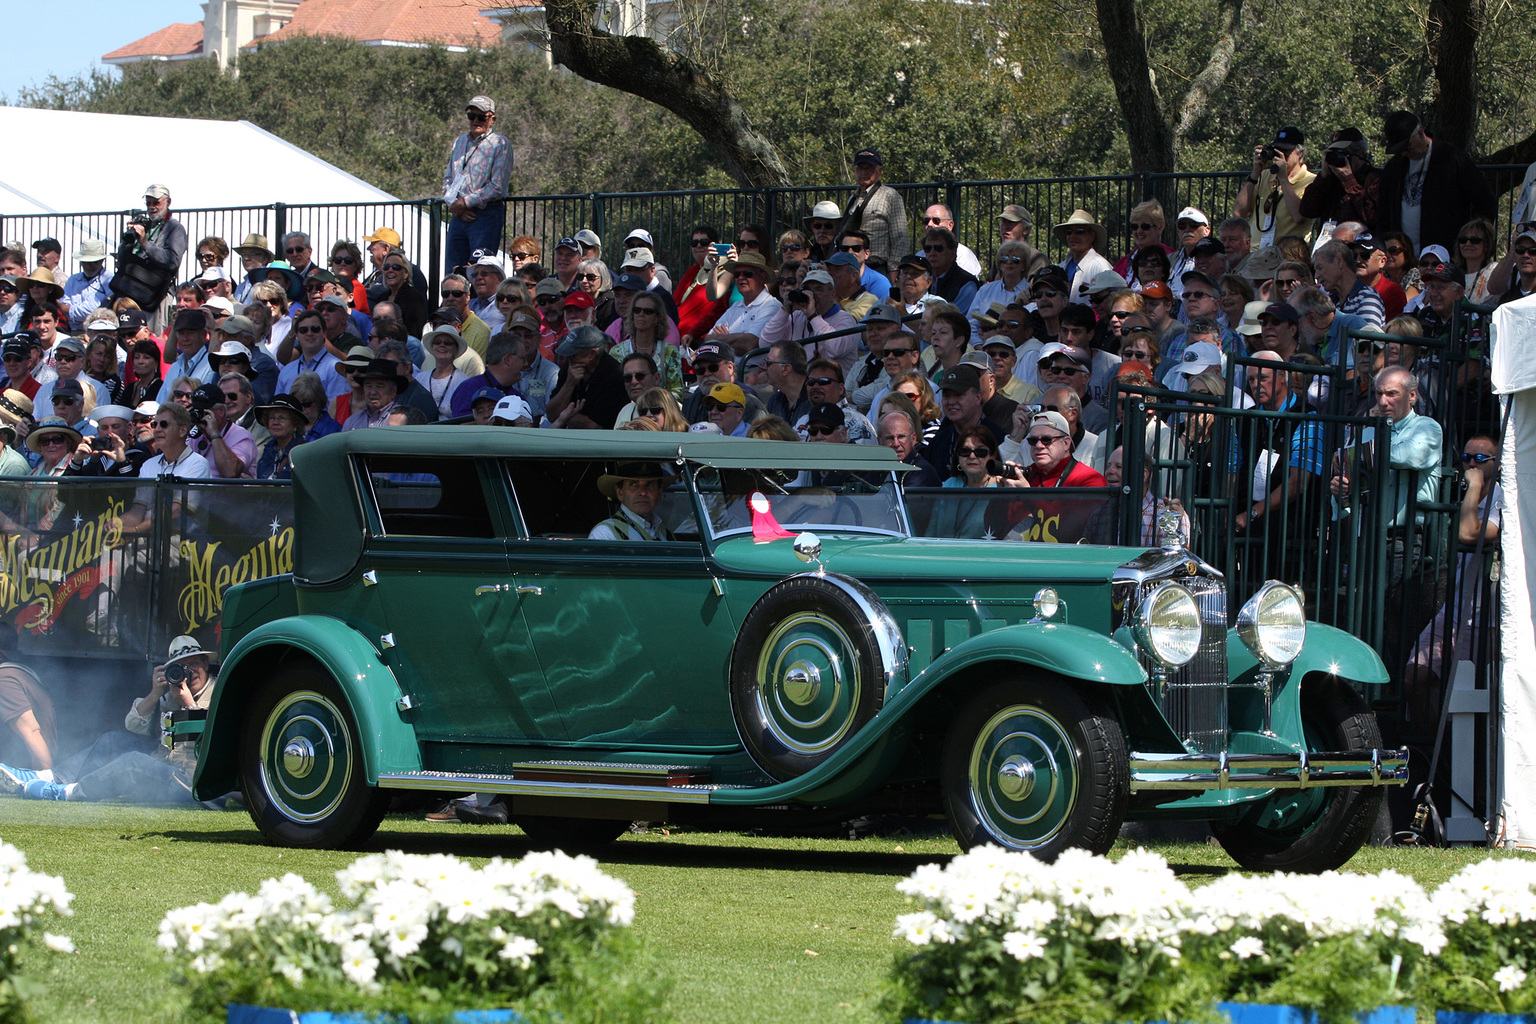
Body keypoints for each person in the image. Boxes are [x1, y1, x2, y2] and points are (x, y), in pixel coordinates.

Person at [0, 636, 215, 803]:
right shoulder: (171, 694)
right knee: (113, 740)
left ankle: (68, 793)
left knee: (133, 761)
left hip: (192, 783)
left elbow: (213, 741)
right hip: (163, 768)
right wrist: (154, 695)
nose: (189, 672)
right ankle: (51, 777)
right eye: (181, 667)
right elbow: (132, 726)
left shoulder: (219, 693)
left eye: (194, 663)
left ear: (205, 663)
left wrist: (190, 706)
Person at [1376, 111, 1497, 253]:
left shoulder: (1451, 159)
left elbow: (1485, 201)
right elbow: (1383, 212)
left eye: (1407, 146)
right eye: (1399, 150)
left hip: (1443, 253)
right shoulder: (1394, 167)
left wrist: (1471, 240)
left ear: (1421, 134)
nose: (1404, 153)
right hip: (1403, 257)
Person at [442, 95, 512, 274]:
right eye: (471, 116)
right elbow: (448, 179)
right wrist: (454, 205)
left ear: (492, 119)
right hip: (458, 216)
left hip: (485, 215)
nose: (475, 121)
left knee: (480, 272)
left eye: (481, 117)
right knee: (453, 272)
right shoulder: (460, 141)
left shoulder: (500, 144)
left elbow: (497, 186)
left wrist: (465, 202)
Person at [109, 184, 187, 321]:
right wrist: (128, 239)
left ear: (168, 202)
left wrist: (145, 243)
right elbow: (122, 258)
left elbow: (172, 261)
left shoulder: (175, 228)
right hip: (131, 289)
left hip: (154, 296)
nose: (152, 207)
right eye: (148, 203)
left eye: (156, 203)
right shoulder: (145, 224)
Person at [1236, 126, 1316, 248]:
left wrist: (1283, 179)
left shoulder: (1311, 181)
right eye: (1277, 151)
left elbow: (1299, 217)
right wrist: (1254, 175)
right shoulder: (1264, 176)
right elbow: (1239, 213)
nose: (1280, 156)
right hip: (1257, 253)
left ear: (1300, 153)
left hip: (1287, 255)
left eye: (1286, 152)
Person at [548, 326, 627, 429]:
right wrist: (569, 384)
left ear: (592, 354)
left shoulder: (614, 376)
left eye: (573, 355)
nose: (569, 359)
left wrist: (565, 416)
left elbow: (593, 425)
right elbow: (551, 414)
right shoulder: (570, 365)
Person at [842, 148, 908, 267]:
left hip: (877, 264)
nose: (864, 172)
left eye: (869, 168)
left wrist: (894, 269)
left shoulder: (890, 196)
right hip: (851, 265)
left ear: (880, 170)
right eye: (860, 168)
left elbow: (900, 238)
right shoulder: (852, 198)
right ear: (855, 170)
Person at [589, 462, 674, 541]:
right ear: (620, 492)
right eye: (633, 484)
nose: (643, 492)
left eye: (649, 484)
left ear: (659, 492)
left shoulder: (666, 534)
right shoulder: (605, 534)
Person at [876, 401, 942, 488]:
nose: (896, 444)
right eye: (890, 438)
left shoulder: (923, 472)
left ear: (913, 438)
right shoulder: (875, 469)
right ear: (879, 441)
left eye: (901, 437)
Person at [1053, 210, 1113, 303]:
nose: (1073, 236)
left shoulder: (1101, 267)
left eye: (1079, 231)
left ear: (1092, 236)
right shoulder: (1061, 267)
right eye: (1069, 232)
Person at [61, 240, 114, 334]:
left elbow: (90, 311)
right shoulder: (73, 279)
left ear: (102, 261)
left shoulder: (109, 280)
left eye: (93, 262)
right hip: (70, 332)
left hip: (97, 333)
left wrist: (67, 309)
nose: (88, 266)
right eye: (85, 262)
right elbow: (64, 302)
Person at [254, 394, 306, 480]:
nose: (275, 422)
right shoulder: (269, 448)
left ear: (296, 423)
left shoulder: (302, 452)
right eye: (271, 418)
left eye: (282, 418)